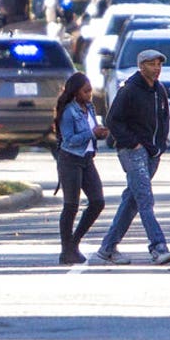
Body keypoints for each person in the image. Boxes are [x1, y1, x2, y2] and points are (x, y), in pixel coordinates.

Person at [94, 48, 170, 265]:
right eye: (152, 64)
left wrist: (160, 146)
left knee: (132, 199)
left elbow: (164, 119)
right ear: (141, 66)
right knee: (144, 198)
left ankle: (107, 248)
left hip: (152, 152)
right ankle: (158, 247)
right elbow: (113, 120)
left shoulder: (159, 90)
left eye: (159, 64)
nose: (156, 68)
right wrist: (134, 142)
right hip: (132, 151)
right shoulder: (129, 89)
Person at [53, 72, 108, 265]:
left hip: (87, 159)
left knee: (97, 201)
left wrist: (99, 133)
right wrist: (90, 133)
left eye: (91, 90)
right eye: (85, 91)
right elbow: (69, 139)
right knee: (71, 205)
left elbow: (90, 133)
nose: (90, 94)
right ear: (75, 92)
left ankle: (74, 243)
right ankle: (66, 250)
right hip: (70, 159)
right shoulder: (69, 111)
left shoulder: (90, 108)